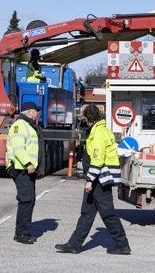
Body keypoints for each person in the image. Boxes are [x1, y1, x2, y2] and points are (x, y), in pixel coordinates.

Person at [55, 104, 131, 255]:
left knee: (107, 213)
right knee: (87, 212)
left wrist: (90, 180)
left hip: (99, 179)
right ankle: (74, 244)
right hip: (101, 178)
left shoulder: (97, 133)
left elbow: (97, 159)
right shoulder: (104, 130)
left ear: (88, 118)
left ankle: (122, 244)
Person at [6, 101, 44, 244]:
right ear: (29, 112)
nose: (38, 113)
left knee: (30, 200)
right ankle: (21, 233)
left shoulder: (28, 126)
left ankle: (24, 231)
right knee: (26, 200)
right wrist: (28, 163)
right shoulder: (19, 126)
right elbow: (18, 148)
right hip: (20, 168)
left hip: (27, 169)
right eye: (36, 111)